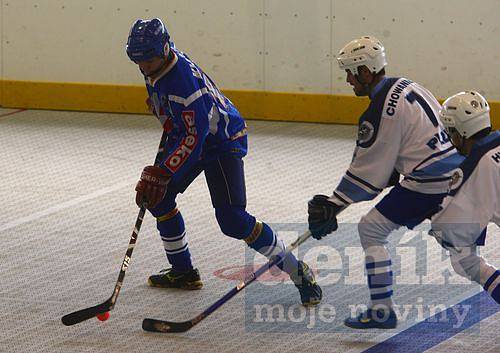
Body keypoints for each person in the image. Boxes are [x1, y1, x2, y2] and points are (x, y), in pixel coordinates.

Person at [125, 18, 321, 306]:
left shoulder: (182, 83)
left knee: (232, 219)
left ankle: (298, 271)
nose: (144, 67)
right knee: (159, 197)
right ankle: (183, 272)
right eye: (138, 61)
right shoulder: (157, 63)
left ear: (165, 49)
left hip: (222, 142)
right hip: (195, 135)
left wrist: (164, 170)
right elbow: (181, 121)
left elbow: (195, 136)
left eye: (149, 60)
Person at [307, 36, 465, 328]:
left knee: (370, 229)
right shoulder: (409, 84)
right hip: (454, 175)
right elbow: (397, 157)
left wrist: (334, 204)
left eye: (351, 74)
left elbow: (369, 169)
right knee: (466, 259)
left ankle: (382, 310)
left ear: (366, 72)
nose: (348, 81)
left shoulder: (379, 109)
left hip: (426, 183)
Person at [430, 91, 499, 304]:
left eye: (451, 131)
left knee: (464, 260)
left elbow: (450, 229)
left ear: (461, 131)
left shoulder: (473, 166)